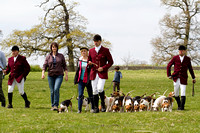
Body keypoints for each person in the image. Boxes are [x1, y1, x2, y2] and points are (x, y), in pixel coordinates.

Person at [88, 34, 113, 113]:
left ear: (100, 41)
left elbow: (111, 62)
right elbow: (89, 60)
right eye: (94, 41)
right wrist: (89, 63)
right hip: (93, 72)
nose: (95, 43)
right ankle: (96, 107)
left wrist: (103, 68)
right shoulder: (91, 51)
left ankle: (102, 104)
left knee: (100, 88)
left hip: (102, 73)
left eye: (97, 41)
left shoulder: (105, 50)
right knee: (94, 90)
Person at [167, 45, 196, 110]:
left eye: (182, 50)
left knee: (183, 92)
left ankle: (181, 107)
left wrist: (193, 78)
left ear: (185, 51)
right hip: (176, 78)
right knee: (176, 93)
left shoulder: (187, 59)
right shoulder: (175, 58)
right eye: (180, 50)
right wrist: (169, 75)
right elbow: (168, 66)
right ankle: (179, 105)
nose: (181, 52)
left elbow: (190, 69)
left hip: (184, 78)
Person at [42, 42, 68, 111]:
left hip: (59, 75)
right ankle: (53, 105)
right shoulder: (48, 57)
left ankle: (56, 105)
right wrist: (43, 73)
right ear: (51, 48)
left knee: (56, 89)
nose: (54, 48)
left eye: (55, 47)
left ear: (57, 48)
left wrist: (66, 75)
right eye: (53, 47)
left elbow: (64, 65)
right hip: (50, 76)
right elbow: (45, 65)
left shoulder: (61, 56)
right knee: (52, 91)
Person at [74, 47, 94, 113]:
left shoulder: (90, 60)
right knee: (80, 95)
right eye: (82, 51)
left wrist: (91, 65)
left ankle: (92, 108)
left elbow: (93, 69)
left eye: (85, 51)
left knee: (90, 94)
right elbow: (77, 70)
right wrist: (76, 79)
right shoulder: (79, 60)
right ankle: (79, 109)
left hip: (88, 80)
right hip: (81, 79)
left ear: (87, 52)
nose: (83, 52)